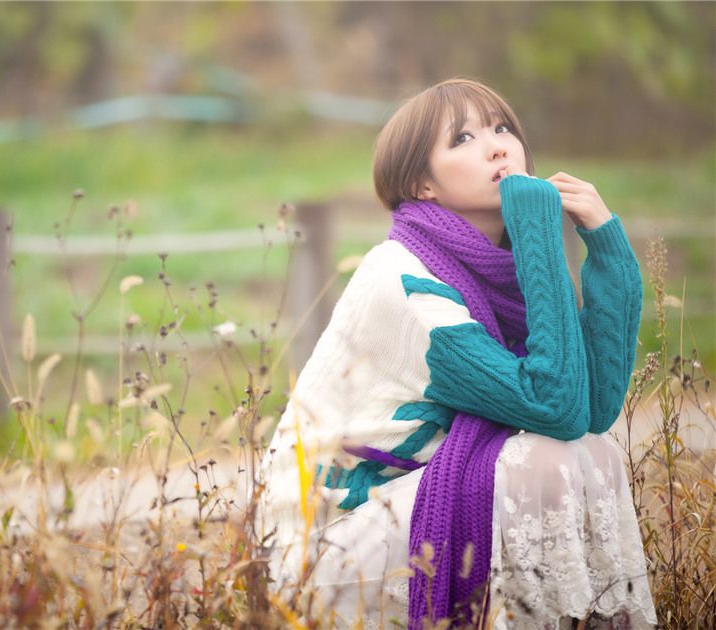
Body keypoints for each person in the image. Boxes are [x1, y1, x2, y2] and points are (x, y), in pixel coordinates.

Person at [256, 78, 657, 629]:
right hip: (322, 551)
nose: (497, 146)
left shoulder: (504, 274)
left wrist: (606, 245)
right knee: (544, 459)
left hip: (406, 508)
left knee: (596, 451)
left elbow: (593, 408)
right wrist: (538, 229)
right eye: (464, 138)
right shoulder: (402, 278)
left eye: (502, 129)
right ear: (422, 183)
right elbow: (554, 405)